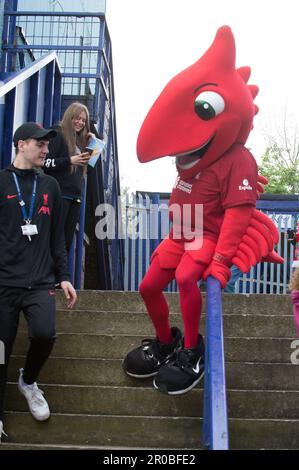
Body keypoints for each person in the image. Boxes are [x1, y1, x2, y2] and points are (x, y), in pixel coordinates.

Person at [123, 26, 283, 396]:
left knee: (184, 279)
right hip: (180, 233)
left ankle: (192, 351)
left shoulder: (239, 160)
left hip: (205, 236)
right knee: (148, 286)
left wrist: (223, 259)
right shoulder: (189, 161)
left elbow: (238, 214)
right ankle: (167, 342)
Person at [0, 122, 77, 442]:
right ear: (20, 145)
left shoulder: (50, 186)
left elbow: (57, 235)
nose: (46, 149)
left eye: (48, 145)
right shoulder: (1, 181)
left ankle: (28, 381)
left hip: (40, 280)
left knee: (44, 334)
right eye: (40, 144)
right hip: (4, 282)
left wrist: (64, 277)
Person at [43, 102, 94, 251]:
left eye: (84, 121)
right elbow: (45, 162)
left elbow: (88, 169)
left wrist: (93, 145)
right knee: (54, 241)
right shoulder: (57, 133)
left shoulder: (80, 141)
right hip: (60, 195)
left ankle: (59, 273)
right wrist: (69, 160)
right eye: (77, 118)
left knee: (65, 244)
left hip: (75, 197)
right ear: (69, 116)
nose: (80, 123)